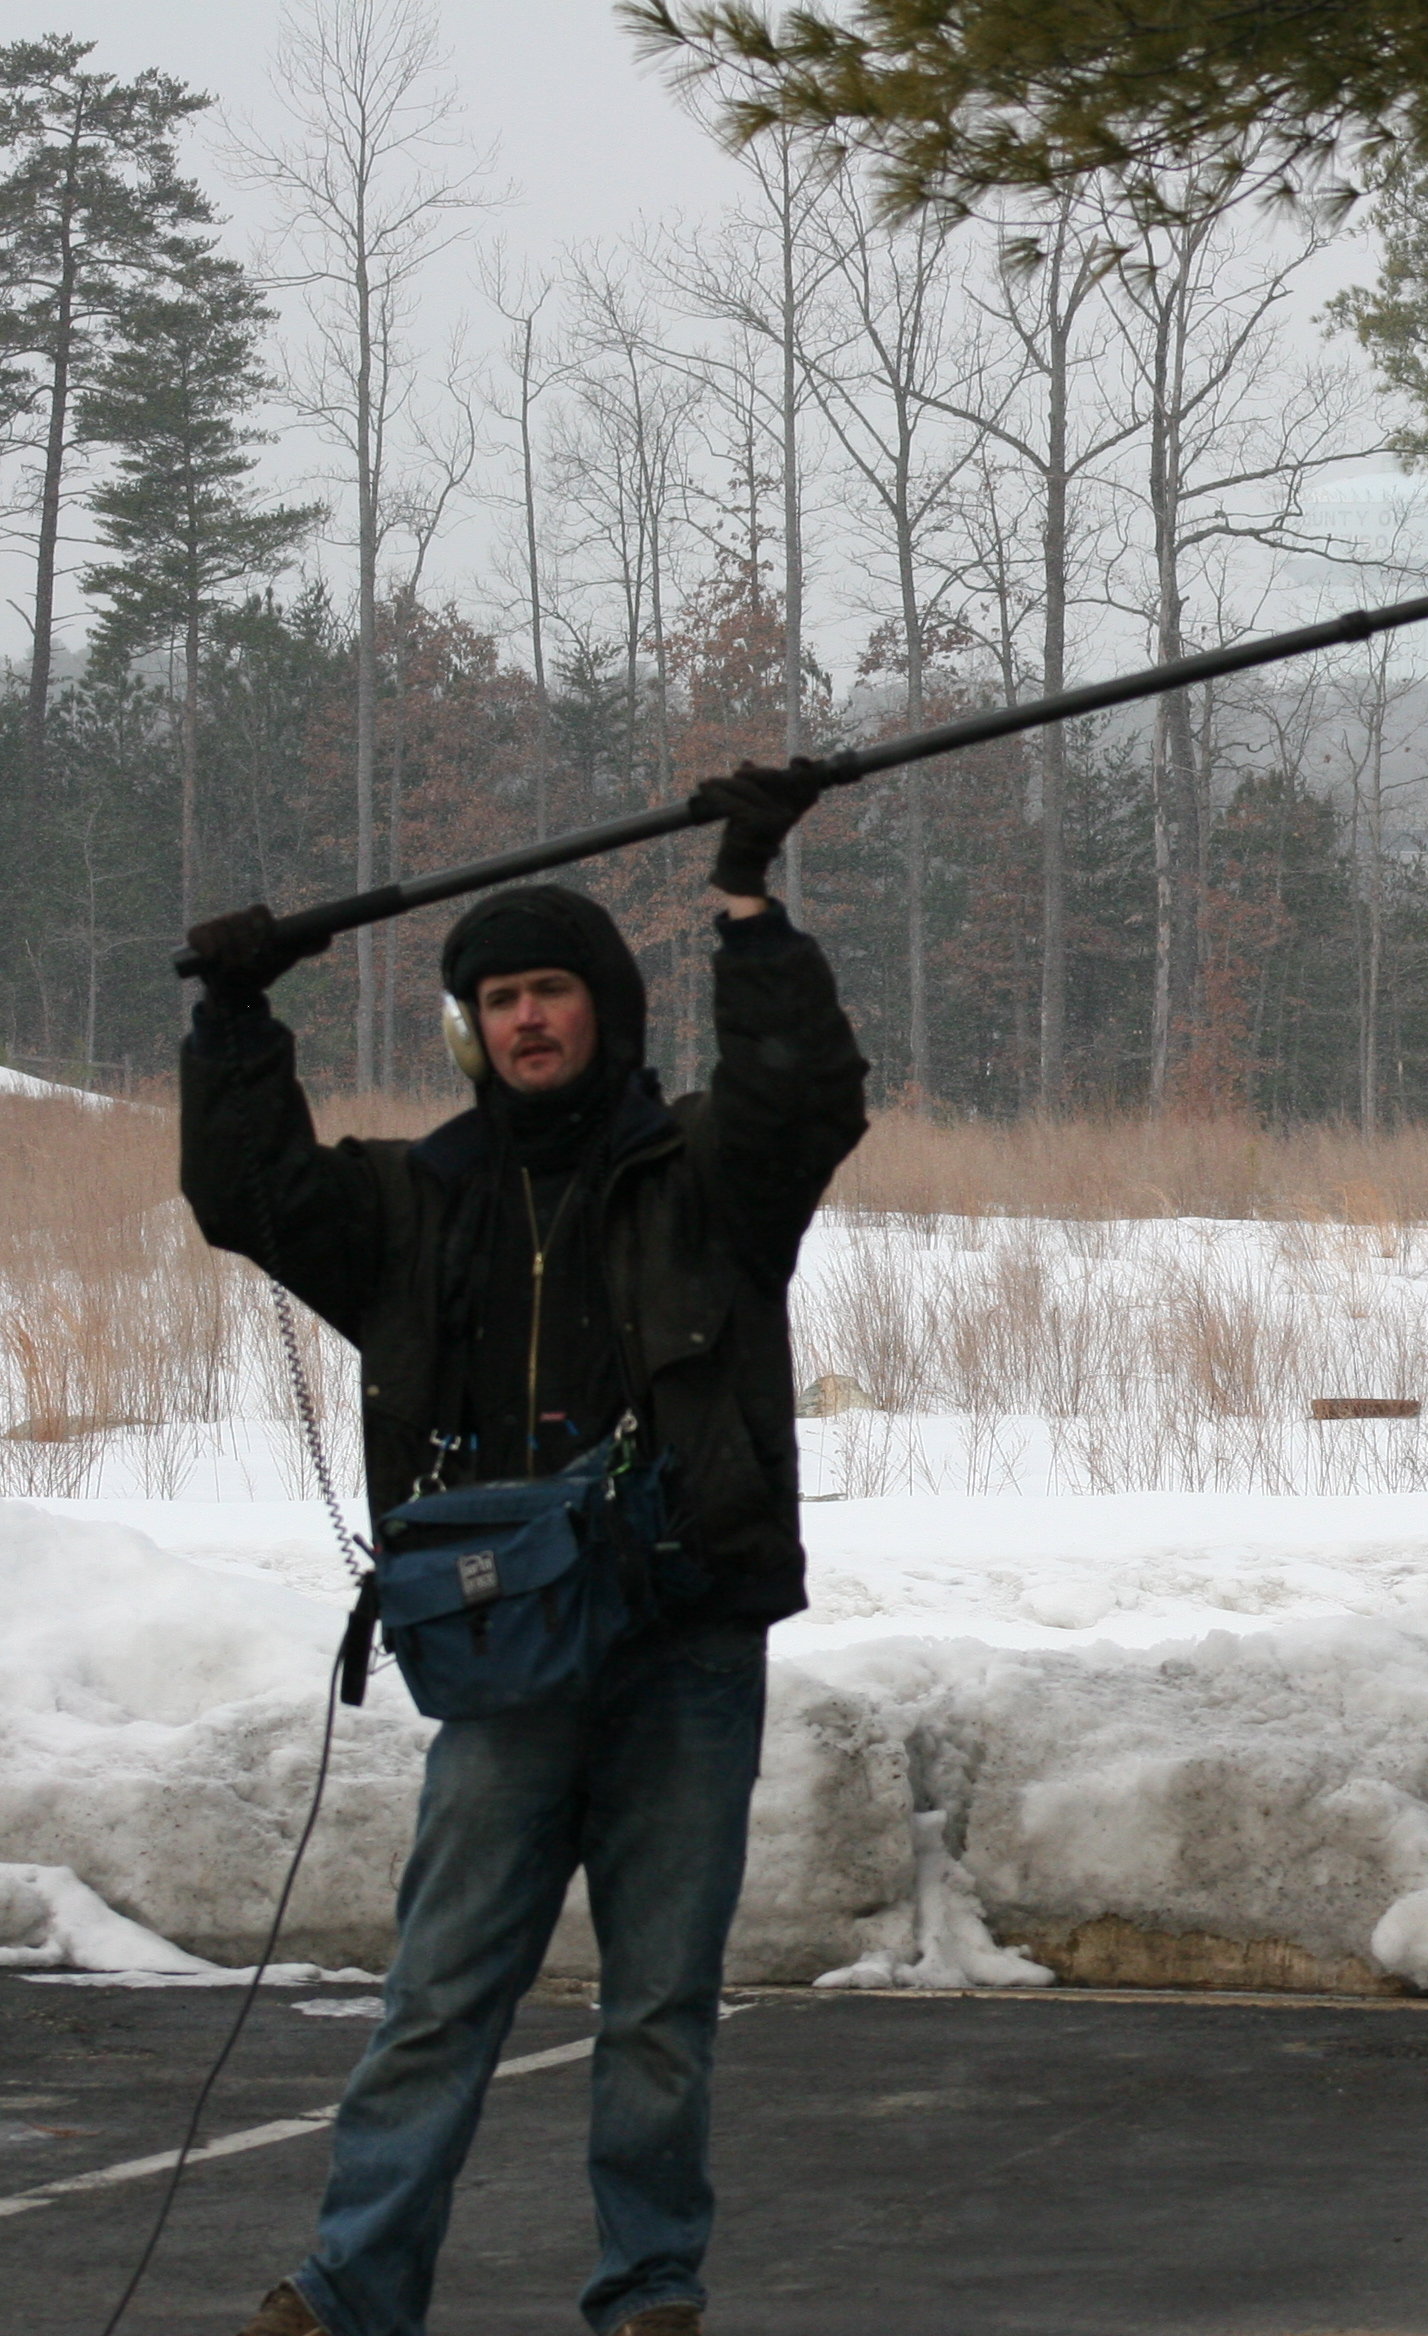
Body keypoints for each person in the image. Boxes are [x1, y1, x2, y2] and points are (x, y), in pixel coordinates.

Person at [177, 767, 866, 2336]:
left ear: (607, 1016)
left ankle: (649, 2294)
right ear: (466, 1028)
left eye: (553, 990)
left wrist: (750, 904)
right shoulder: (412, 1208)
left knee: (661, 2014)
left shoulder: (709, 1184)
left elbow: (806, 1099)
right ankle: (353, 2291)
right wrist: (234, 1020)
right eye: (498, 998)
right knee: (436, 2006)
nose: (528, 1019)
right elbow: (245, 1190)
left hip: (684, 1648)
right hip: (503, 1663)